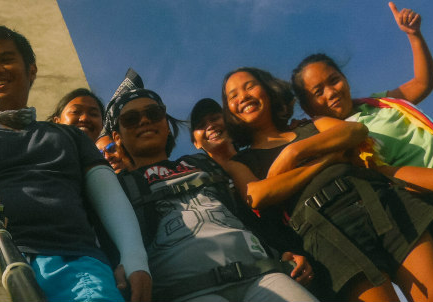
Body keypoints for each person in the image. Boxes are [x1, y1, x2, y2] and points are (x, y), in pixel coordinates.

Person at [0, 25, 151, 302]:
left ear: (31, 71)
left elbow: (109, 195)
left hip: (79, 266)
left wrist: (135, 259)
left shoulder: (70, 136)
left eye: (6, 59)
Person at [291, 12, 433, 301]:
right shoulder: (343, 138)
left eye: (334, 80)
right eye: (317, 91)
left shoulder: (379, 103)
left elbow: (422, 83)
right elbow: (387, 175)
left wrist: (413, 35)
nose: (330, 92)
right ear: (309, 107)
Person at [221, 67, 433, 302]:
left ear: (269, 90)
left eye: (250, 86)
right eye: (233, 95)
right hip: (326, 233)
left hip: (378, 201)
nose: (243, 96)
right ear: (229, 111)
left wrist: (293, 152)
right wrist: (328, 158)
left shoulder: (312, 125)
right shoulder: (241, 162)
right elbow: (258, 195)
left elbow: (354, 130)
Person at [109, 81, 317, 302]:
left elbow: (245, 210)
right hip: (188, 291)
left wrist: (281, 250)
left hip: (263, 275)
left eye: (154, 113)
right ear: (117, 137)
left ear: (166, 124)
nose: (144, 120)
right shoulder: (116, 186)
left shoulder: (203, 162)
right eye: (131, 119)